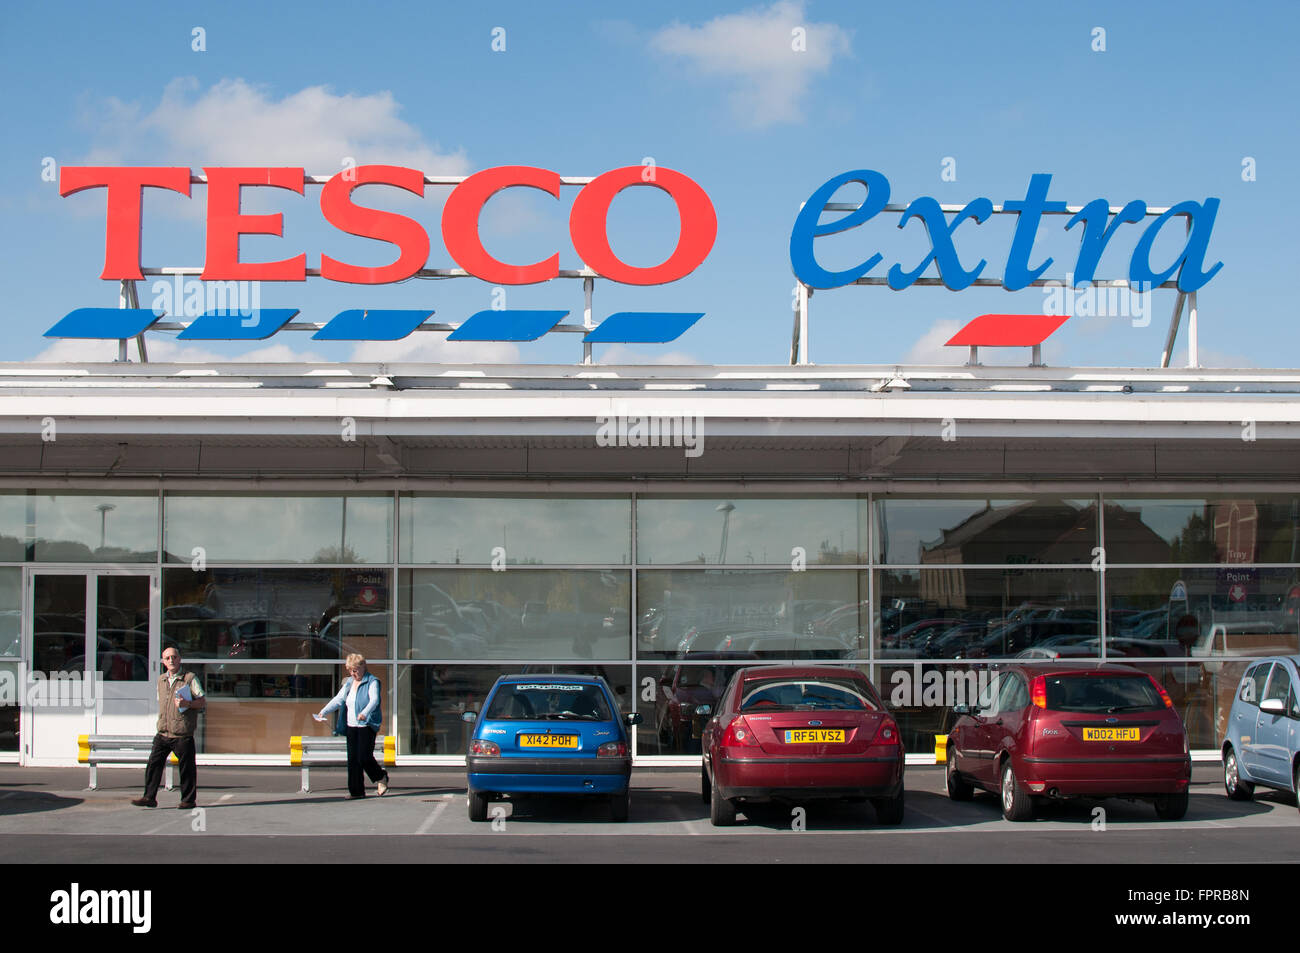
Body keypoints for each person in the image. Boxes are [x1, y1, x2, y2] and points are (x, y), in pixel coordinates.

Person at [132, 647, 205, 809]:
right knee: (153, 764)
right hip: (164, 731)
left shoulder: (189, 678)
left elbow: (202, 701)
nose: (171, 660)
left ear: (179, 659)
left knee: (187, 768)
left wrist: (188, 704)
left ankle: (188, 800)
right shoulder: (161, 680)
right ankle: (149, 797)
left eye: (174, 657)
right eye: (167, 658)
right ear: (163, 662)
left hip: (182, 732)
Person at [316, 654, 389, 798]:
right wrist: (323, 711)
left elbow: (374, 700)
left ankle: (381, 776)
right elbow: (338, 699)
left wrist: (364, 713)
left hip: (366, 725)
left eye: (355, 670)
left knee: (364, 757)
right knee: (353, 759)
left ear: (363, 667)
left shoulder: (372, 681)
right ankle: (356, 792)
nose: (353, 674)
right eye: (350, 671)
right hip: (351, 725)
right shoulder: (349, 682)